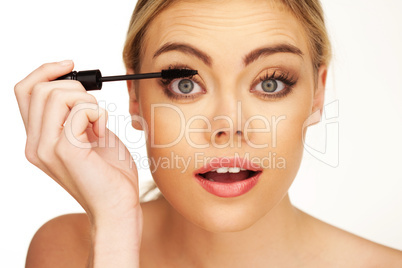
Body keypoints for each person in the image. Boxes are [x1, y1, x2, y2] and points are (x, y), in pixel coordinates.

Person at [14, 0, 402, 267]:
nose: (229, 126)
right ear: (134, 96)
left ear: (317, 94)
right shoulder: (66, 249)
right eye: (185, 85)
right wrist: (115, 228)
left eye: (270, 84)